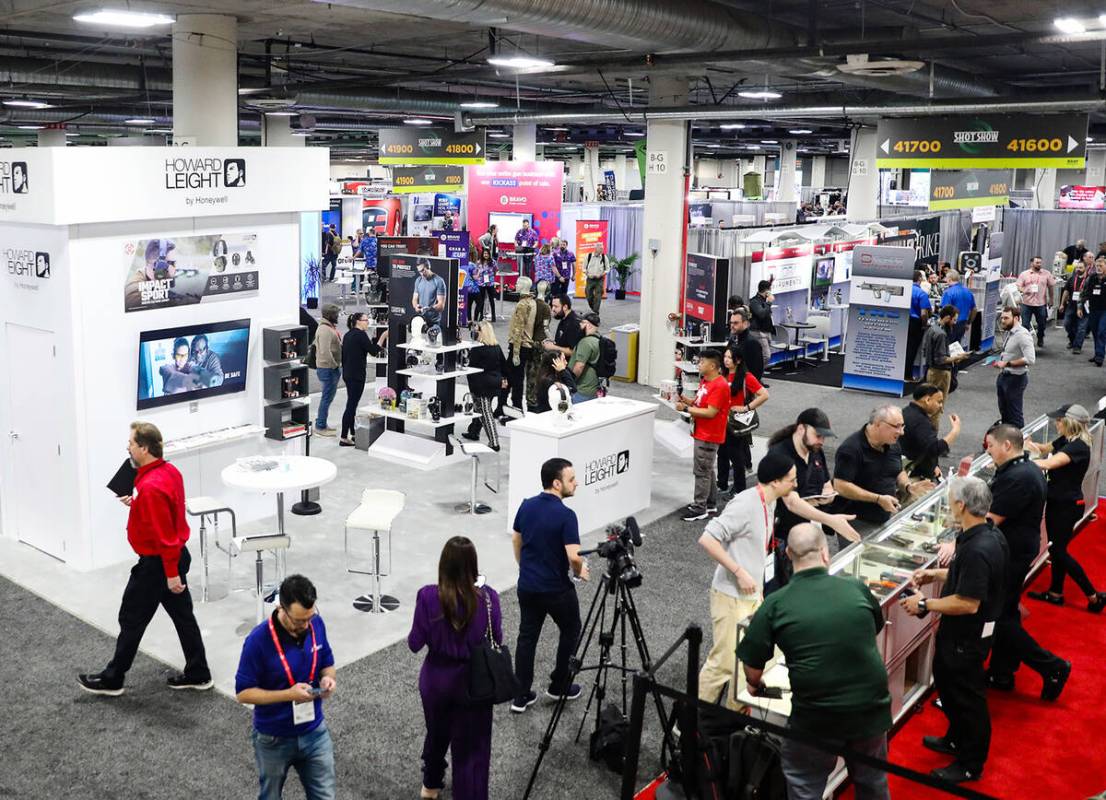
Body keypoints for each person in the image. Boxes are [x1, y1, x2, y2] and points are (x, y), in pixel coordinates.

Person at [738, 523, 892, 800]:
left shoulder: (775, 603)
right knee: (872, 781)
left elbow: (752, 662)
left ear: (787, 555)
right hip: (870, 708)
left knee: (804, 784)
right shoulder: (856, 587)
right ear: (825, 553)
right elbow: (874, 626)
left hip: (815, 717)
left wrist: (754, 684)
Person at [78, 422, 211, 696]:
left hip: (158, 564)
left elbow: (164, 536)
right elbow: (167, 515)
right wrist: (137, 503)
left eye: (131, 443)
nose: (128, 447)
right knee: (183, 616)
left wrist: (171, 574)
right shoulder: (168, 471)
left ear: (144, 448)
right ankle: (199, 672)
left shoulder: (150, 487)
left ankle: (113, 678)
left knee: (131, 617)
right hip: (171, 559)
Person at [902, 477, 1009, 784]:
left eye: (950, 500)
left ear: (961, 505)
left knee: (966, 697)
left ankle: (970, 764)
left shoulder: (978, 546)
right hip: (967, 634)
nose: (948, 505)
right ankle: (955, 738)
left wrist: (926, 605)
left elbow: (967, 602)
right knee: (949, 685)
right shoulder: (984, 535)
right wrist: (935, 572)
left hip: (967, 636)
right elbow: (969, 574)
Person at [696, 452, 795, 709]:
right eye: (791, 479)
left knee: (748, 661)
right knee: (723, 663)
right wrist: (739, 571)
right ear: (775, 481)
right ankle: (688, 724)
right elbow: (707, 539)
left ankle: (734, 717)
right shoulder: (745, 504)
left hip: (751, 595)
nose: (795, 484)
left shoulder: (770, 501)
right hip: (730, 595)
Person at [982, 424, 1071, 699]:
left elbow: (990, 520)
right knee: (1006, 613)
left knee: (999, 616)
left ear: (1006, 445)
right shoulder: (1026, 469)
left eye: (991, 446)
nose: (988, 452)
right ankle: (1003, 671)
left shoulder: (1018, 477)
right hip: (1016, 550)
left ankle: (1051, 666)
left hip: (1009, 554)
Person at [408, 537, 501, 800]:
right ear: (473, 565)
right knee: (473, 749)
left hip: (436, 681)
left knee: (436, 732)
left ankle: (431, 784)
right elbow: (499, 639)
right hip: (474, 682)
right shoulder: (489, 598)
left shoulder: (427, 596)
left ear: (443, 565)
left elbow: (415, 642)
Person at [235, 574, 336, 800]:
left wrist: (328, 680)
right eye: (300, 620)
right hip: (273, 737)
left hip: (314, 731)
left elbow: (327, 663)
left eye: (310, 617)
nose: (306, 625)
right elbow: (243, 693)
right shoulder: (257, 641)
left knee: (325, 796)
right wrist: (288, 695)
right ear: (282, 608)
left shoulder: (316, 624)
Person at [511, 458, 588, 713]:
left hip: (528, 586)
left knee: (527, 637)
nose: (576, 483)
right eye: (571, 479)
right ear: (557, 484)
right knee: (571, 629)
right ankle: (559, 686)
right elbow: (574, 556)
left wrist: (525, 567)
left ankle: (520, 695)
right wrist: (580, 572)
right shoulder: (567, 515)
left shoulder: (526, 506)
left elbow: (517, 539)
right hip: (556, 589)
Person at [1025, 404, 1106, 612]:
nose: (1056, 423)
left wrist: (1016, 460)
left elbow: (1050, 464)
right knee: (1057, 549)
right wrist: (1027, 445)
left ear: (1069, 423)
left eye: (1059, 420)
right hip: (1060, 502)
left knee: (1058, 551)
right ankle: (1055, 593)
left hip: (1066, 505)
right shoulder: (1068, 440)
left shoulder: (1077, 447)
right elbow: (1045, 450)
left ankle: (1093, 595)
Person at [832, 405, 931, 526]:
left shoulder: (893, 444)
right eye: (896, 426)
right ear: (878, 424)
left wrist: (908, 486)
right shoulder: (850, 449)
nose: (902, 432)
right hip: (856, 520)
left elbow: (897, 470)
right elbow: (840, 486)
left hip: (885, 517)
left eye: (902, 426)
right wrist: (878, 499)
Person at [767, 409, 836, 551]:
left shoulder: (816, 451)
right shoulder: (779, 455)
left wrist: (827, 496)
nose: (821, 441)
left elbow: (826, 484)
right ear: (800, 429)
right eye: (818, 436)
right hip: (783, 533)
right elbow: (791, 502)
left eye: (824, 437)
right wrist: (831, 520)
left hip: (811, 527)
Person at [676, 350, 729, 521]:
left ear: (712, 366)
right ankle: (710, 503)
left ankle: (700, 507)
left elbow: (711, 412)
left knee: (701, 471)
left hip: (709, 435)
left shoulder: (719, 386)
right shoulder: (706, 381)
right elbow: (701, 403)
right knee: (707, 470)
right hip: (701, 432)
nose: (698, 365)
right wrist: (686, 401)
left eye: (701, 362)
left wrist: (685, 409)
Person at [716, 344, 768, 496]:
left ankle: (739, 488)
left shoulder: (746, 377)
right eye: (724, 357)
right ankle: (722, 483)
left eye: (729, 357)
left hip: (737, 422)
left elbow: (764, 395)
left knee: (736, 456)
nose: (726, 360)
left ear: (738, 360)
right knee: (722, 454)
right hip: (721, 420)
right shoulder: (722, 375)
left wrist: (746, 408)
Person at [339, 312, 386, 447]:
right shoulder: (360, 335)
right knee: (351, 406)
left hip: (348, 374)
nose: (367, 323)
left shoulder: (348, 335)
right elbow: (373, 351)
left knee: (351, 404)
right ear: (358, 322)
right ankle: (343, 437)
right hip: (357, 375)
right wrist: (382, 337)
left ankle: (353, 433)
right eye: (366, 320)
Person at [900, 384, 961, 480]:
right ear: (927, 400)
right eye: (939, 402)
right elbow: (934, 449)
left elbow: (921, 445)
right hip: (915, 477)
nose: (941, 406)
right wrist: (955, 431)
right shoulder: (921, 422)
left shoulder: (906, 412)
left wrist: (934, 465)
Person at [463, 321, 507, 451]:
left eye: (477, 330)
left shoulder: (478, 349)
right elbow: (504, 366)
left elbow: (471, 368)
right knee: (480, 409)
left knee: (485, 412)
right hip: (494, 383)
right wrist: (503, 380)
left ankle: (494, 442)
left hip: (481, 385)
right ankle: (474, 431)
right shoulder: (496, 347)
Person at [921, 305, 966, 428]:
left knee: (928, 404)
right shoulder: (941, 334)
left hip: (931, 371)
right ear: (947, 317)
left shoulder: (932, 329)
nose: (955, 323)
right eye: (954, 319)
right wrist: (958, 358)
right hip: (941, 373)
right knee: (936, 408)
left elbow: (926, 350)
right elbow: (941, 359)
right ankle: (931, 437)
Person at [992, 306, 1035, 428]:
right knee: (1005, 414)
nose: (1003, 321)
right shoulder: (1009, 332)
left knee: (1015, 416)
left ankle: (1020, 442)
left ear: (1016, 318)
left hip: (1015, 379)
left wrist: (1008, 363)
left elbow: (1030, 359)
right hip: (1004, 376)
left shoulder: (1022, 335)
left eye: (1006, 318)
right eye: (1002, 318)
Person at [506, 276, 537, 413]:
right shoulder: (532, 302)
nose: (516, 284)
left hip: (519, 346)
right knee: (514, 377)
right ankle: (510, 407)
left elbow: (518, 329)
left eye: (518, 283)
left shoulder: (522, 305)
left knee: (516, 379)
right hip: (525, 345)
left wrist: (516, 352)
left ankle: (517, 409)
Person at [312, 304, 342, 437]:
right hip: (327, 368)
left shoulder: (328, 328)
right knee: (326, 398)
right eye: (336, 314)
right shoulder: (324, 330)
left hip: (329, 368)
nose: (338, 317)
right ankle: (320, 426)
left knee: (328, 397)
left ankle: (322, 423)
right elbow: (325, 351)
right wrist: (334, 365)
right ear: (330, 315)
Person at [1016, 256, 1057, 348]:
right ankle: (1026, 343)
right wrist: (1024, 290)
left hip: (1040, 304)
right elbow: (1018, 286)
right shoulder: (1024, 274)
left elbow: (1051, 287)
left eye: (1040, 263)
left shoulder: (1046, 274)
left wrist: (1051, 299)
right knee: (1025, 325)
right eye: (1037, 263)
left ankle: (1040, 337)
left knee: (1042, 324)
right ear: (1031, 263)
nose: (1039, 264)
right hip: (1026, 303)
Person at [525, 285, 552, 410]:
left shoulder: (531, 303)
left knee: (529, 370)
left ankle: (529, 398)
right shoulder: (546, 307)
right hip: (540, 342)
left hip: (529, 341)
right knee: (538, 372)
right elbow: (546, 328)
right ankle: (534, 400)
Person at [1059, 252, 1091, 352]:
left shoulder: (1090, 279)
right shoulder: (1072, 278)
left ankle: (1077, 347)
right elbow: (1066, 291)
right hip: (1072, 305)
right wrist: (1062, 304)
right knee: (1067, 324)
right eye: (1077, 268)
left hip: (1084, 306)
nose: (1078, 270)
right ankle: (1072, 340)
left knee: (1081, 327)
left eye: (1080, 268)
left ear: (1085, 268)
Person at [568, 311, 602, 403]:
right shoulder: (599, 340)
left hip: (581, 392)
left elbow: (579, 366)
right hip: (593, 389)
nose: (579, 325)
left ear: (589, 325)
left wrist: (569, 383)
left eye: (582, 323)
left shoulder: (585, 342)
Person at [906, 268, 931, 380]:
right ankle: (907, 375)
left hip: (903, 320)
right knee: (912, 349)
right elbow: (924, 313)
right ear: (920, 279)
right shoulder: (921, 293)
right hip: (915, 323)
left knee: (903, 347)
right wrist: (924, 324)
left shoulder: (905, 290)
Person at [726, 307, 765, 381]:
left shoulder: (752, 343)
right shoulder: (733, 339)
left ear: (745, 323)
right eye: (731, 322)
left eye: (736, 323)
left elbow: (757, 371)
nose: (732, 326)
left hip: (745, 386)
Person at [940, 270, 976, 345]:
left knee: (947, 347)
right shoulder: (968, 292)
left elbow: (944, 310)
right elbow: (974, 309)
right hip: (962, 323)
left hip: (950, 325)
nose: (945, 280)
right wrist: (968, 322)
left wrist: (940, 324)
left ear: (949, 279)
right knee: (956, 346)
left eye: (946, 278)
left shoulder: (948, 292)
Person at [543, 294, 583, 359]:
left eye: (556, 306)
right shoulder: (564, 318)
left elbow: (573, 352)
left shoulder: (574, 324)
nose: (552, 309)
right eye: (552, 306)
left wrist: (553, 347)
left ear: (565, 307)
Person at [1083, 254, 1106, 366]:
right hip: (1093, 310)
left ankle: (1100, 357)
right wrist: (1080, 306)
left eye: (1101, 265)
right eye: (1097, 266)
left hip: (1104, 311)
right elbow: (1085, 292)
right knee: (1096, 333)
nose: (1098, 268)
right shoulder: (1091, 277)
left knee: (1102, 331)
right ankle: (1097, 353)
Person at [748, 280, 776, 364]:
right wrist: (769, 303)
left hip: (767, 331)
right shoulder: (754, 301)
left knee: (764, 355)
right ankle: (754, 371)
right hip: (758, 332)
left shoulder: (764, 300)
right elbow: (761, 314)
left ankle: (757, 373)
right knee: (766, 356)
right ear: (767, 291)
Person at [413, 259, 447, 328]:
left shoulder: (439, 281)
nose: (421, 274)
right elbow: (414, 299)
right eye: (419, 271)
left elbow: (441, 306)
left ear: (428, 267)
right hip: (421, 320)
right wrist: (416, 306)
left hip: (434, 322)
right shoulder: (418, 280)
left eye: (423, 270)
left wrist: (429, 308)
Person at [583, 244, 610, 314]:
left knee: (598, 296)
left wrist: (602, 274)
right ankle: (594, 309)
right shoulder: (588, 256)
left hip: (599, 279)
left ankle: (595, 313)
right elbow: (584, 268)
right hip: (590, 279)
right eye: (600, 248)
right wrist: (588, 274)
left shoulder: (604, 257)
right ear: (596, 248)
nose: (602, 250)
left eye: (602, 248)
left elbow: (607, 269)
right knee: (588, 294)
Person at [472, 255, 498, 323]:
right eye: (484, 253)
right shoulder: (479, 262)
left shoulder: (493, 262)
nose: (486, 255)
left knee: (491, 300)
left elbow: (496, 270)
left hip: (490, 283)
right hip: (481, 283)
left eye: (487, 253)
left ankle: (493, 316)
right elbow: (475, 272)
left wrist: (492, 276)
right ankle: (480, 316)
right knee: (481, 300)